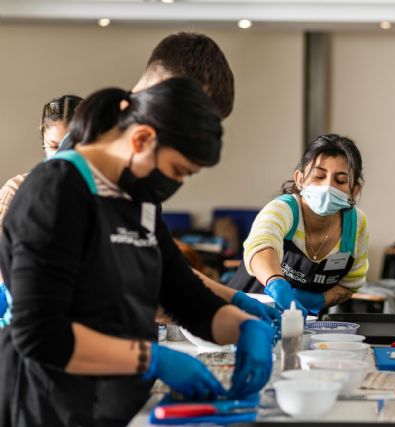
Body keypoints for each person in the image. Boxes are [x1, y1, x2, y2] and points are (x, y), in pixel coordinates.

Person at [0, 78, 274, 427]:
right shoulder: (55, 192)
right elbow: (39, 333)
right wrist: (151, 359)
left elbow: (184, 297)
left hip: (118, 404)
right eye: (177, 171)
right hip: (52, 405)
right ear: (142, 139)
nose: (176, 184)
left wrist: (246, 327)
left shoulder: (137, 200)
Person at [57, 32, 278, 324]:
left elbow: (160, 266)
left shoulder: (145, 177)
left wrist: (232, 301)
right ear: (166, 95)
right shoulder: (73, 170)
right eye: (193, 118)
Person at [228, 134, 370, 315]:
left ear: (354, 190)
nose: (328, 186)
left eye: (340, 180)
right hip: (243, 315)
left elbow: (350, 285)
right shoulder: (282, 209)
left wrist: (319, 300)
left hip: (302, 323)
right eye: (319, 176)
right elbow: (261, 246)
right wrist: (277, 284)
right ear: (300, 179)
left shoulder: (356, 225)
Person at [0, 94, 83, 324]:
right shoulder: (17, 189)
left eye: (72, 145)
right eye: (55, 146)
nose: (63, 155)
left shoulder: (100, 193)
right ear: (43, 142)